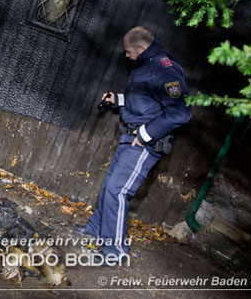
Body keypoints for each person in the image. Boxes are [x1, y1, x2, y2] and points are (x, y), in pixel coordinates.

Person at [72, 26, 192, 263]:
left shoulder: (165, 71)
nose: (126, 56)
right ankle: (96, 229)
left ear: (140, 47)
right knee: (109, 187)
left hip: (143, 143)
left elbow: (181, 111)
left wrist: (146, 134)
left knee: (118, 191)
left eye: (128, 51)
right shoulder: (147, 66)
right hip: (129, 137)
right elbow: (146, 101)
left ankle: (114, 252)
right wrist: (118, 100)